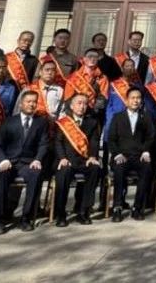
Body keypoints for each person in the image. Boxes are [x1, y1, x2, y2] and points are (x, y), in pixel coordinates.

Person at [0, 90, 49, 233]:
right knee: (1, 175)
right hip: (9, 162)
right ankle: (0, 220)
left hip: (28, 163)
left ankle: (26, 218)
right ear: (21, 104)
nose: (31, 104)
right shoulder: (9, 121)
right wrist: (2, 160)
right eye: (28, 101)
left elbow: (43, 144)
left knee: (36, 173)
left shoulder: (41, 122)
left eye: (34, 102)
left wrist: (37, 160)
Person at [52, 93, 102, 227]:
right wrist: (62, 158)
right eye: (79, 103)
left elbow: (94, 141)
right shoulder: (63, 123)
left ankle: (83, 211)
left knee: (95, 169)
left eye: (85, 104)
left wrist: (92, 156)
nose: (82, 106)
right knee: (64, 172)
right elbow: (58, 142)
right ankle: (60, 213)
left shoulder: (92, 122)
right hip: (66, 160)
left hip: (84, 161)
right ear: (72, 106)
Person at [107, 87, 155, 222]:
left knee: (147, 169)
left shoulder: (146, 117)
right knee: (119, 170)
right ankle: (117, 207)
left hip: (139, 156)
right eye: (133, 98)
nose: (136, 101)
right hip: (121, 156)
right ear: (127, 100)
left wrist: (146, 151)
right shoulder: (118, 117)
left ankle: (137, 207)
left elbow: (150, 136)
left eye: (138, 98)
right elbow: (111, 139)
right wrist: (117, 154)